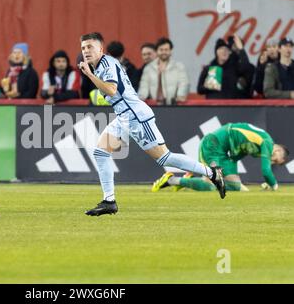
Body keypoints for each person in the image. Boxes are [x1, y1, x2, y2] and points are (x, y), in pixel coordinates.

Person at [78, 32, 225, 217]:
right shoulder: (99, 66)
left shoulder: (107, 64)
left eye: (90, 47)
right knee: (100, 152)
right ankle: (109, 201)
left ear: (100, 48)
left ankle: (212, 173)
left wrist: (90, 75)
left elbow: (111, 89)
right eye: (83, 48)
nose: (86, 51)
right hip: (124, 116)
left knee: (165, 158)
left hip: (136, 117)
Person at [152, 123, 289, 193]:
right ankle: (172, 180)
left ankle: (188, 180)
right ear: (277, 150)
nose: (273, 161)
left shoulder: (261, 144)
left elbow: (239, 153)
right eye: (276, 159)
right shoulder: (267, 143)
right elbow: (266, 171)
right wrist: (274, 185)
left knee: (236, 187)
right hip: (212, 145)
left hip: (224, 153)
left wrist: (230, 171)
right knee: (210, 185)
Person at [138, 37, 190, 105]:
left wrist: (180, 96)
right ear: (157, 51)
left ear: (171, 51)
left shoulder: (179, 67)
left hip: (174, 105)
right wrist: (140, 99)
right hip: (155, 106)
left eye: (166, 50)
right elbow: (144, 86)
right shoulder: (148, 68)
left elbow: (184, 83)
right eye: (161, 50)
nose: (164, 52)